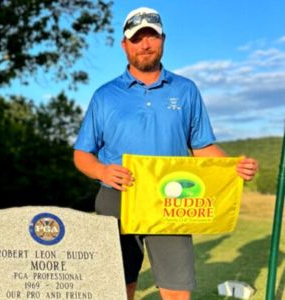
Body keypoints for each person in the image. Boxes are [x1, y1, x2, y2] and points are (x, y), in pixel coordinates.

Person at [73, 7, 258, 300]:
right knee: (117, 287)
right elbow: (82, 154)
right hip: (116, 197)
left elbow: (202, 147)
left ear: (163, 40)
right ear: (125, 45)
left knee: (176, 290)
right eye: (137, 38)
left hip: (172, 199)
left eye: (152, 36)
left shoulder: (186, 90)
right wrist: (102, 171)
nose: (145, 44)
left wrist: (233, 167)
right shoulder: (104, 95)